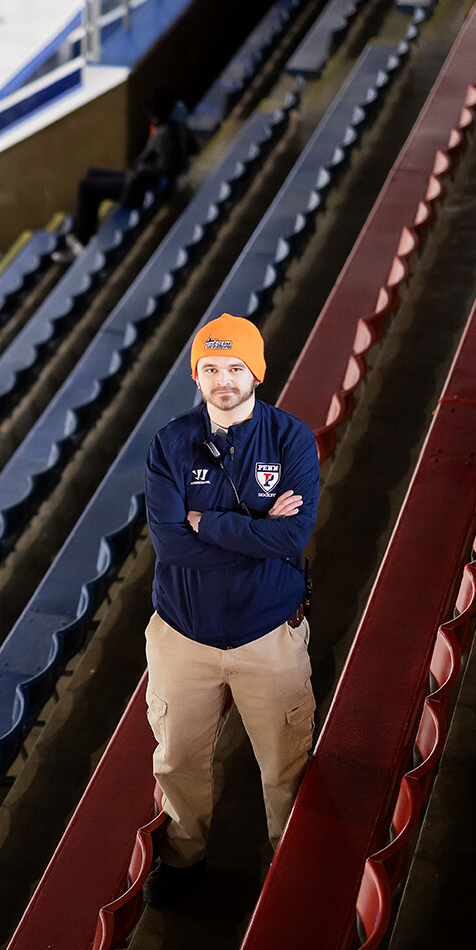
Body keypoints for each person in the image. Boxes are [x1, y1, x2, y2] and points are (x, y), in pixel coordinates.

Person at [141, 314, 320, 900]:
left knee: (285, 768)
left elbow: (291, 540)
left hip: (267, 634)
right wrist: (255, 534)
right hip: (183, 636)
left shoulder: (290, 438)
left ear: (256, 373)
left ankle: (286, 872)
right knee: (177, 762)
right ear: (198, 373)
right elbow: (169, 545)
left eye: (235, 367)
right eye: (211, 368)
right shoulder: (171, 441)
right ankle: (184, 859)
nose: (223, 379)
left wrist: (208, 524)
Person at [63, 93, 191, 256]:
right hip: (140, 180)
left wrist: (140, 172)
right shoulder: (170, 129)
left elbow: (166, 167)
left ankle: (82, 239)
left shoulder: (165, 134)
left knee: (86, 187)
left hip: (140, 188)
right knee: (91, 174)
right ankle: (81, 228)